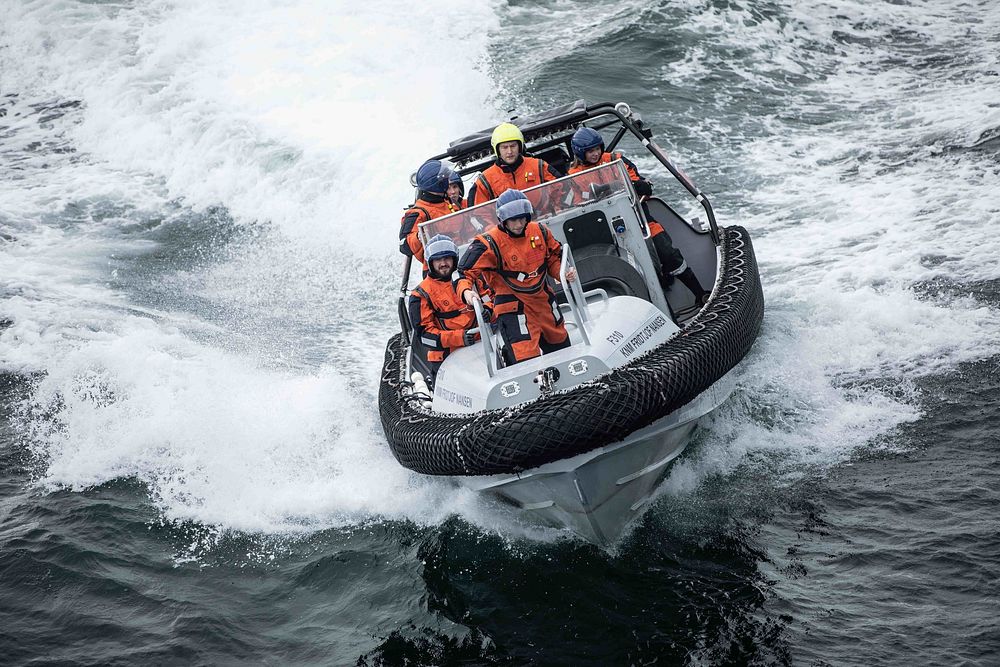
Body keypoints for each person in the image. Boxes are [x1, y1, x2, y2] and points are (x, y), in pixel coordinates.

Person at [569, 127, 709, 305]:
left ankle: (699, 294)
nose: (595, 153)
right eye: (590, 151)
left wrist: (616, 187)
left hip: (641, 220)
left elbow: (639, 184)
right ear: (581, 153)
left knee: (669, 253)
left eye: (597, 149)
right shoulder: (573, 176)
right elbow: (579, 204)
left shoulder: (615, 160)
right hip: (607, 232)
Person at [458, 189, 573, 365]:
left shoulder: (540, 231)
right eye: (513, 220)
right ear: (503, 220)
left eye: (522, 218)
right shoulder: (487, 243)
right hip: (513, 308)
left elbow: (553, 257)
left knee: (563, 349)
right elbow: (464, 272)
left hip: (544, 302)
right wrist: (467, 292)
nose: (519, 224)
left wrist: (562, 273)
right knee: (525, 359)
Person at [408, 234, 479, 384]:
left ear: (455, 259)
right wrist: (460, 338)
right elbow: (426, 336)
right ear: (430, 262)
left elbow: (490, 299)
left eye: (447, 258)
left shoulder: (471, 280)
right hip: (447, 356)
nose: (443, 263)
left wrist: (487, 311)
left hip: (482, 345)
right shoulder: (420, 295)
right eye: (438, 260)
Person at [466, 123, 564, 207]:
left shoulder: (539, 166)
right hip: (506, 227)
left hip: (544, 222)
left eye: (513, 146)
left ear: (520, 146)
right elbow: (479, 214)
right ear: (497, 150)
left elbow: (562, 189)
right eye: (504, 147)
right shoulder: (485, 181)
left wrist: (557, 210)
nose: (509, 151)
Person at [400, 160, 460, 265]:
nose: (447, 180)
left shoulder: (448, 203)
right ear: (437, 183)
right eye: (444, 178)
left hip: (462, 257)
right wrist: (419, 236)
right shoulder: (417, 213)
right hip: (439, 269)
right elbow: (404, 245)